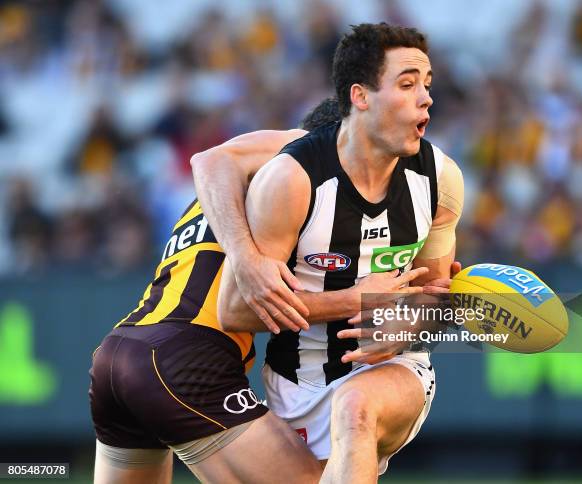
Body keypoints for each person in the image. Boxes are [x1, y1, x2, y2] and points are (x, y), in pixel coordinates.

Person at [88, 98, 427, 484]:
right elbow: (244, 306)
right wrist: (361, 299)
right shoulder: (298, 176)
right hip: (190, 360)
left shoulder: (221, 197)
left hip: (119, 352)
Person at [214, 23, 464, 483]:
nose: (426, 98)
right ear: (360, 96)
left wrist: (415, 319)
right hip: (295, 386)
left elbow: (434, 295)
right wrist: (354, 300)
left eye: (427, 85)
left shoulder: (441, 179)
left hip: (397, 371)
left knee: (356, 408)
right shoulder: (291, 180)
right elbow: (234, 310)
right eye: (407, 85)